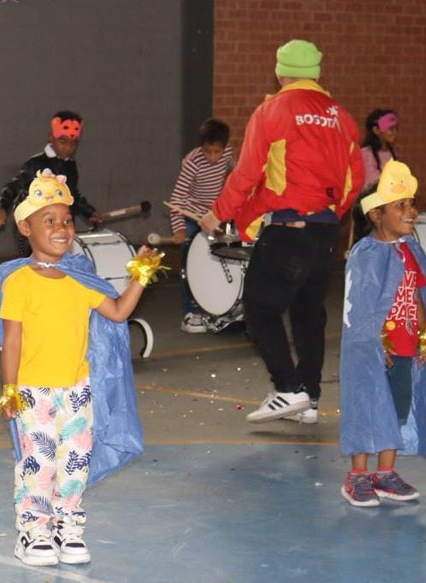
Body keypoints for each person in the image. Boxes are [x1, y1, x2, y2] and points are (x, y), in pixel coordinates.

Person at [0, 170, 155, 566]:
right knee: (40, 462)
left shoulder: (78, 279)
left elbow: (117, 312)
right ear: (26, 228)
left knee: (75, 461)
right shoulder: (19, 281)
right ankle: (33, 530)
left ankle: (68, 524)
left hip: (76, 390)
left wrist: (140, 276)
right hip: (34, 391)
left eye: (67, 220)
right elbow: (11, 339)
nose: (62, 228)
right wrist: (10, 389)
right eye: (50, 221)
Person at [200, 39, 364, 425]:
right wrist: (326, 216)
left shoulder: (272, 111)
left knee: (259, 309)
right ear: (317, 74)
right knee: (309, 315)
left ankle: (287, 388)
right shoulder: (342, 117)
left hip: (289, 228)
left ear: (280, 71)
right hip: (324, 229)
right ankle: (308, 398)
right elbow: (354, 180)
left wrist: (218, 214)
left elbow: (248, 173)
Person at [341, 161, 426, 508]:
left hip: (403, 348)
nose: (411, 212)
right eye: (400, 206)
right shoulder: (365, 254)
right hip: (371, 350)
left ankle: (385, 473)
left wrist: (425, 335)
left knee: (396, 408)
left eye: (411, 204)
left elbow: (419, 295)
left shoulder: (409, 250)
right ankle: (357, 476)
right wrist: (374, 342)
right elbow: (359, 305)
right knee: (365, 406)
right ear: (376, 214)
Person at [0, 111, 104, 256]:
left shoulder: (70, 165)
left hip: (59, 224)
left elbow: (72, 195)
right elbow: (12, 187)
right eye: (63, 142)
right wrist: (2, 208)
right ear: (51, 138)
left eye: (73, 144)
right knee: (37, 263)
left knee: (58, 260)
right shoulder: (36, 164)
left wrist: (89, 212)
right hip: (35, 226)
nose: (68, 148)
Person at [168, 118, 234, 333]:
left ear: (224, 147)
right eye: (208, 152)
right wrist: (178, 229)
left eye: (217, 152)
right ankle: (190, 313)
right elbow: (177, 200)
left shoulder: (228, 154)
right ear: (201, 146)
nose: (213, 157)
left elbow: (236, 174)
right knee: (190, 264)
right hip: (191, 215)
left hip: (213, 215)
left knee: (216, 260)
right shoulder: (192, 162)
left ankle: (216, 307)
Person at [360, 109, 400, 187]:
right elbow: (371, 183)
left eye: (396, 128)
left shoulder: (392, 153)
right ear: (376, 130)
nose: (395, 132)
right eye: (391, 129)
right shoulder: (366, 154)